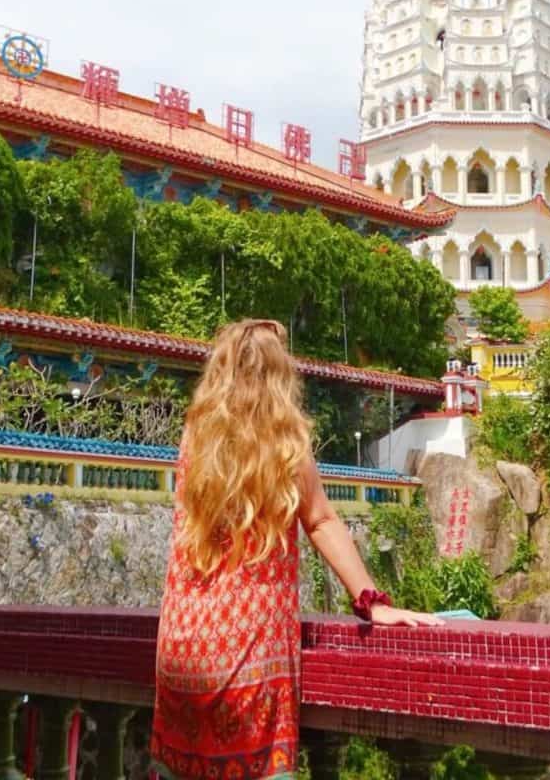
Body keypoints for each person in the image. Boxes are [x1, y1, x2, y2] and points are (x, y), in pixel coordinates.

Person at [150, 319, 441, 780]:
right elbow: (321, 520)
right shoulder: (285, 445)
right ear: (278, 373)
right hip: (248, 644)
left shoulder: (195, 437)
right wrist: (372, 602)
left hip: (184, 645)